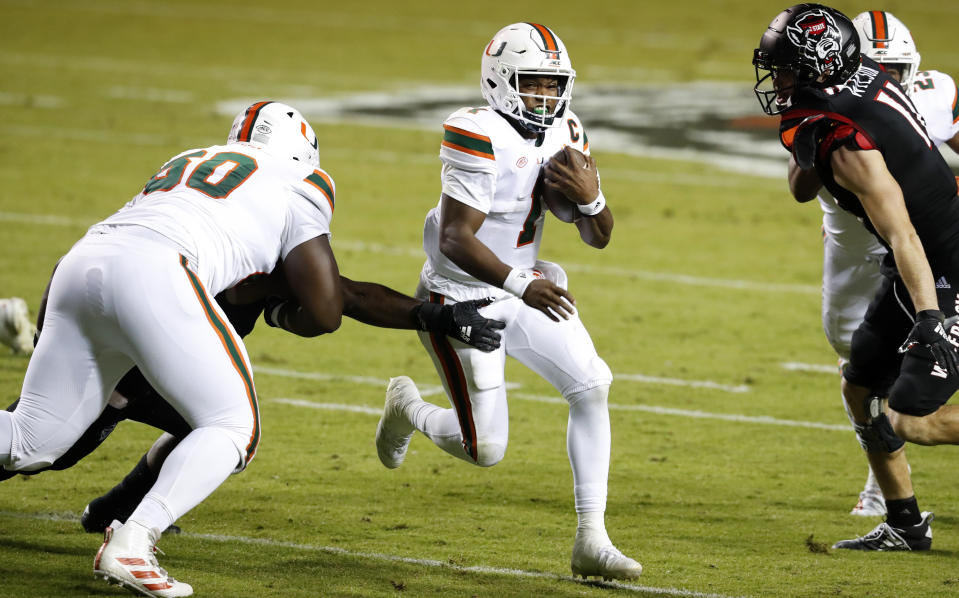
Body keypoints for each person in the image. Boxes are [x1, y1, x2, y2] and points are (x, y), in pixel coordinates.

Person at [0, 100, 351, 597]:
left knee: (32, 436)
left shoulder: (190, 157)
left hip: (82, 261)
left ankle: (128, 531)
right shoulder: (303, 182)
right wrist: (280, 311)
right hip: (158, 271)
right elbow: (326, 309)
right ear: (304, 152)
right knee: (234, 426)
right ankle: (133, 542)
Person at [373, 23, 642, 580]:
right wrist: (521, 286)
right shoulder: (475, 132)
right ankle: (408, 408)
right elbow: (455, 237)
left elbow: (600, 236)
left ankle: (592, 538)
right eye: (532, 82)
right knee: (485, 448)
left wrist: (594, 201)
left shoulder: (566, 129)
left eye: (553, 83)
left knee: (592, 385)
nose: (545, 96)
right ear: (500, 81)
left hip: (525, 282)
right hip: (463, 295)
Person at [1, 262, 505, 537]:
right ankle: (124, 519)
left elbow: (337, 298)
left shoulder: (240, 224)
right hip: (121, 356)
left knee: (215, 428)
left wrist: (431, 315)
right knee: (42, 446)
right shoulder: (254, 237)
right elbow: (343, 298)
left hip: (132, 341)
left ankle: (116, 512)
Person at [754, 4, 959, 551]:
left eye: (788, 69)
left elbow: (903, 234)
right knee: (859, 384)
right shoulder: (859, 76)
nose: (779, 80)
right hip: (921, 260)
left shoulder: (842, 139)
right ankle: (905, 522)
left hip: (946, 265)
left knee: (910, 417)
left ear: (821, 68)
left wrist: (931, 318)